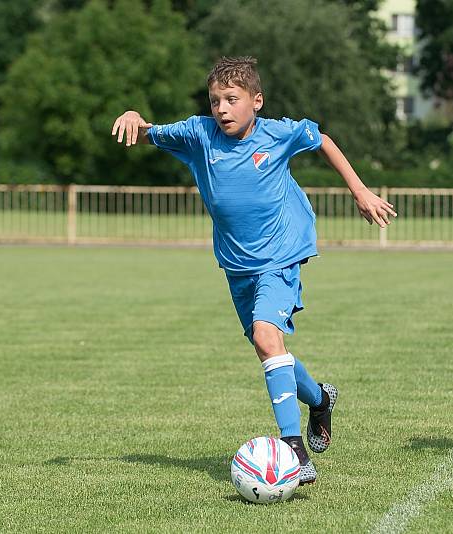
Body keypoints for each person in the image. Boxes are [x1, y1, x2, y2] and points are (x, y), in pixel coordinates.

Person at [111, 56, 397, 482]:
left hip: (281, 254)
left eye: (232, 99)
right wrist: (136, 117)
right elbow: (149, 131)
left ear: (256, 101)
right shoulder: (197, 134)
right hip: (236, 265)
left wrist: (360, 191)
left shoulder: (278, 133)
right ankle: (320, 399)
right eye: (215, 101)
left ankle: (293, 450)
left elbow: (321, 140)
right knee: (267, 347)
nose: (222, 109)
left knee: (267, 337)